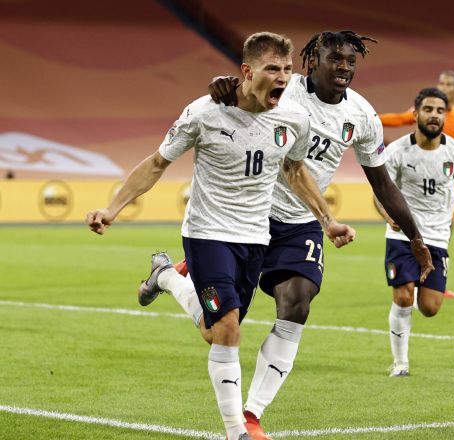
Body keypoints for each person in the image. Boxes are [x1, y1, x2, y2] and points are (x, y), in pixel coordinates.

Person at [139, 31, 434, 439]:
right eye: (335, 58)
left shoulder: (363, 116)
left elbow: (383, 183)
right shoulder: (286, 88)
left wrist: (417, 240)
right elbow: (244, 86)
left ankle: (251, 414)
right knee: (220, 330)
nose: (344, 67)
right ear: (312, 61)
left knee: (297, 303)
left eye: (351, 60)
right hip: (247, 217)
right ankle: (170, 277)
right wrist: (223, 84)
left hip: (301, 222)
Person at [87, 32, 356, 440]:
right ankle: (237, 431)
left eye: (287, 69)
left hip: (256, 236)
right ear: (247, 72)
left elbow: (295, 171)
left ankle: (166, 277)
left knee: (215, 331)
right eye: (272, 69)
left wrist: (327, 220)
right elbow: (158, 162)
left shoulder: (293, 120)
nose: (283, 77)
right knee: (229, 328)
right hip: (207, 233)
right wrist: (112, 208)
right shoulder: (204, 113)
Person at [374, 88, 454, 377]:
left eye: (440, 111)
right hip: (403, 235)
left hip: (438, 236)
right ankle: (400, 363)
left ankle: (417, 290)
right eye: (428, 110)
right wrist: (387, 215)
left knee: (430, 308)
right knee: (403, 298)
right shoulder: (396, 152)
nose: (434, 115)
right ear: (415, 114)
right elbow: (380, 191)